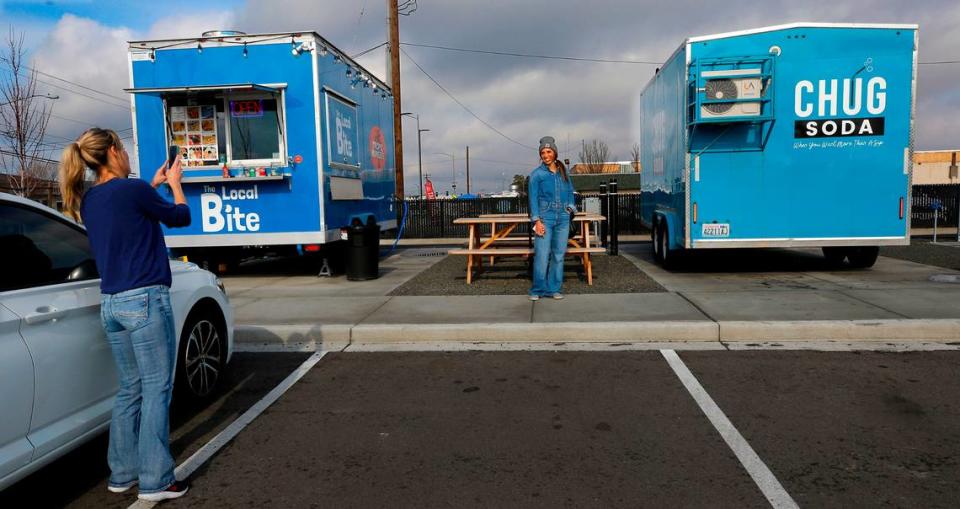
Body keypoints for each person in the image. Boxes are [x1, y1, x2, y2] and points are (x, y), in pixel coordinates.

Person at [59, 128, 191, 502]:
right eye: (125, 149)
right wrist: (176, 184)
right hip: (145, 300)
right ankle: (157, 480)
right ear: (114, 151)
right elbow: (181, 217)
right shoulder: (133, 191)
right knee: (156, 389)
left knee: (130, 389)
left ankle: (122, 472)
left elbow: (131, 217)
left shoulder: (91, 199)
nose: (129, 155)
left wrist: (153, 186)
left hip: (112, 304)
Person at [528, 136, 576, 301]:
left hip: (563, 218)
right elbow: (532, 199)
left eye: (548, 151)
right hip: (544, 218)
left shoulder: (564, 171)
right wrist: (537, 221)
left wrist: (570, 208)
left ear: (555, 152)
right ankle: (537, 290)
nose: (545, 155)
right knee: (542, 255)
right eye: (543, 152)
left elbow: (570, 191)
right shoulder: (536, 175)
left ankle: (553, 289)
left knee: (558, 255)